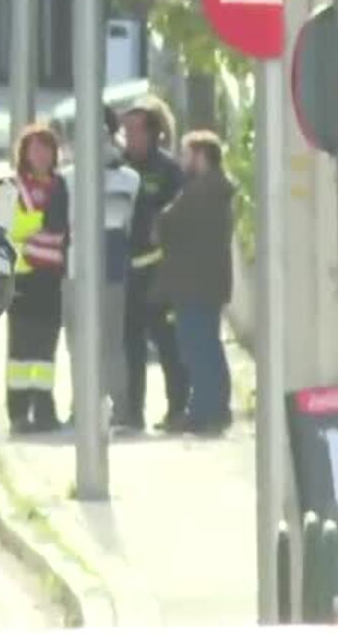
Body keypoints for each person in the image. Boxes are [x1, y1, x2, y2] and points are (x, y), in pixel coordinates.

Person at [60, 107, 140, 430]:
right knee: (80, 346)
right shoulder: (67, 179)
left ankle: (117, 410)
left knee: (108, 346)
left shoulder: (129, 179)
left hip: (110, 272)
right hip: (77, 270)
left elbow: (126, 223)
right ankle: (82, 409)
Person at [153, 130, 237, 434]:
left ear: (201, 157)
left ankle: (207, 410)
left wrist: (163, 220)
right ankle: (211, 407)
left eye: (187, 154)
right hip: (202, 282)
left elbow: (167, 223)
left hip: (196, 283)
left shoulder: (202, 192)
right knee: (204, 346)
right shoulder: (208, 190)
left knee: (198, 348)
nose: (182, 160)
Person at [119, 98, 188, 433]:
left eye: (135, 129)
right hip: (125, 271)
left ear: (153, 132)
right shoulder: (117, 166)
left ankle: (178, 410)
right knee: (130, 346)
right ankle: (133, 412)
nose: (128, 136)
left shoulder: (169, 171)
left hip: (160, 273)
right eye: (125, 129)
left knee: (168, 344)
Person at [3, 124, 70, 433]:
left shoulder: (60, 185)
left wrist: (35, 223)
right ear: (24, 153)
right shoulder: (10, 185)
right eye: (35, 149)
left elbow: (59, 226)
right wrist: (39, 220)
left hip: (51, 276)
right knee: (20, 345)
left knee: (46, 345)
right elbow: (11, 225)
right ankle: (18, 412)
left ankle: (44, 409)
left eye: (47, 149)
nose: (41, 155)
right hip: (21, 278)